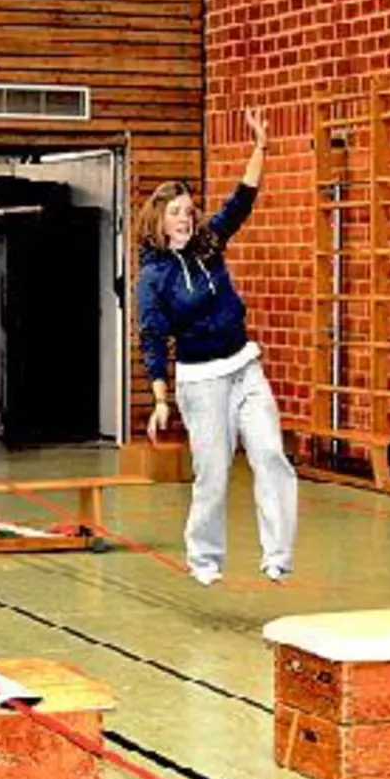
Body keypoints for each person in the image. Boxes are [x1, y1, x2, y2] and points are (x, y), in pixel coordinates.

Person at [137, 109, 298, 586]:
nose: (185, 219)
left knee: (271, 454)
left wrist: (260, 148)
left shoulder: (210, 244)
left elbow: (242, 201)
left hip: (244, 366)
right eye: (175, 214)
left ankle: (278, 556)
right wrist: (161, 400)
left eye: (189, 211)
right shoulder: (155, 277)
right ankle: (205, 559)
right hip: (200, 380)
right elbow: (152, 337)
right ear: (161, 222)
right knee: (213, 474)